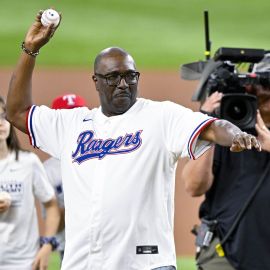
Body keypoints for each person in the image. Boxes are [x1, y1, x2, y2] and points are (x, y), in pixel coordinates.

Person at [6, 10, 261, 270]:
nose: (124, 84)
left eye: (130, 76)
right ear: (96, 81)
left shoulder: (160, 115)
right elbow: (16, 112)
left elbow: (212, 126)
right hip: (83, 264)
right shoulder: (71, 125)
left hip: (147, 263)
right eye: (113, 77)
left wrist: (235, 134)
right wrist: (30, 49)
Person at [182, 77, 270, 269]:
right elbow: (193, 186)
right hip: (224, 253)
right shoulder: (227, 134)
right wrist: (207, 127)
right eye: (260, 93)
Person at [0, 95, 60, 270]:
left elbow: (51, 205)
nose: (1, 122)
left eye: (4, 115)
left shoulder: (28, 162)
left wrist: (48, 244)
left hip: (25, 262)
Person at [43, 93, 87, 262]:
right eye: (67, 117)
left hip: (107, 245)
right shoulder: (48, 171)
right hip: (71, 250)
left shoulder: (102, 154)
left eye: (78, 115)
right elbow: (54, 223)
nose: (74, 122)